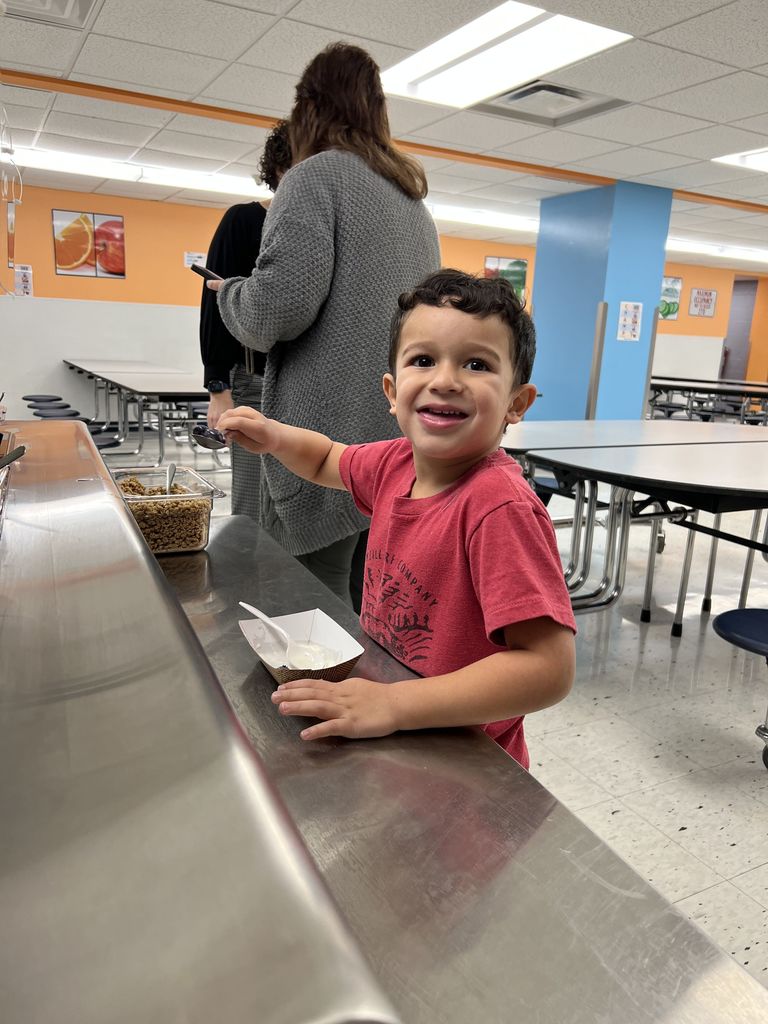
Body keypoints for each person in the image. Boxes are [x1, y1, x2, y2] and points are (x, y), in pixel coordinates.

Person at [218, 270, 576, 768]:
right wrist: (275, 437)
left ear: (516, 403)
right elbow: (327, 459)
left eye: (477, 364)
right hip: (392, 728)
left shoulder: (498, 507)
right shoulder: (395, 464)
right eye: (423, 360)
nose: (445, 380)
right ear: (392, 390)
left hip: (464, 758)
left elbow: (548, 669)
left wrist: (394, 705)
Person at [207, 43, 440, 605]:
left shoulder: (313, 178)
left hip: (322, 434)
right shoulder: (413, 202)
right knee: (367, 590)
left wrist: (230, 293)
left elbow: (273, 314)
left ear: (307, 108)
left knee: (303, 594)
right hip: (392, 435)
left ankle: (314, 691)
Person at [198, 120, 291, 519]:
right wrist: (218, 387)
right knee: (252, 506)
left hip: (306, 383)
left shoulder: (324, 231)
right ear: (278, 171)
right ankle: (250, 579)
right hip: (254, 380)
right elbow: (215, 306)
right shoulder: (243, 220)